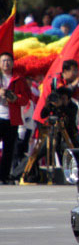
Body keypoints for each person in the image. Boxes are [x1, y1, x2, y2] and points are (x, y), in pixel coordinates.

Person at [0, 53, 31, 184]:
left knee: (9, 150)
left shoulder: (19, 79)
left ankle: (4, 176)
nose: (6, 63)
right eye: (3, 61)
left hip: (12, 119)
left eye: (8, 61)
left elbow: (25, 100)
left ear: (12, 63)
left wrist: (14, 98)